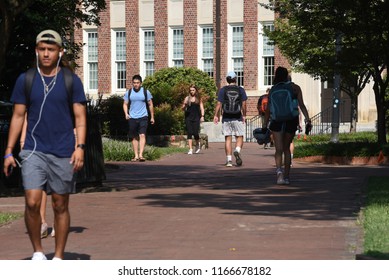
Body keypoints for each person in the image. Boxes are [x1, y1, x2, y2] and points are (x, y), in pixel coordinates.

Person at [3, 30, 87, 260]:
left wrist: (80, 147)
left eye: (51, 49)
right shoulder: (26, 79)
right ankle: (38, 252)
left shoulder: (71, 80)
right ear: (36, 51)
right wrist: (9, 151)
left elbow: (80, 117)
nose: (46, 54)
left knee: (60, 204)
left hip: (63, 151)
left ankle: (58, 256)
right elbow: (18, 116)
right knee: (32, 201)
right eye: (42, 49)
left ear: (60, 51)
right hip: (33, 150)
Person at [263, 66, 310, 185]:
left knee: (278, 149)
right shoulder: (295, 88)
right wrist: (307, 119)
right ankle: (287, 177)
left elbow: (268, 109)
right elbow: (302, 105)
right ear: (287, 75)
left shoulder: (273, 89)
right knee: (286, 148)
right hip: (291, 119)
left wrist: (265, 123)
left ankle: (279, 174)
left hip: (277, 121)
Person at [213, 71, 247, 167]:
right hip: (237, 117)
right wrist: (244, 115)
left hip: (226, 117)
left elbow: (219, 103)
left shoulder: (223, 90)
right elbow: (244, 104)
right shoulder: (240, 90)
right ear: (235, 79)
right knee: (239, 136)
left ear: (227, 80)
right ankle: (237, 150)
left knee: (228, 138)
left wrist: (216, 115)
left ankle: (229, 161)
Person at [123, 74, 155, 162]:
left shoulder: (145, 92)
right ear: (132, 83)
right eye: (134, 83)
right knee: (134, 137)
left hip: (143, 116)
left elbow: (150, 104)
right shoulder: (129, 92)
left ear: (141, 83)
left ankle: (141, 155)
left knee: (142, 134)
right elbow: (125, 104)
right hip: (132, 117)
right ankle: (136, 155)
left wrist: (152, 116)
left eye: (137, 83)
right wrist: (126, 114)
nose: (136, 84)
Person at [182, 84, 205, 154]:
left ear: (196, 91)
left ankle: (197, 144)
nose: (191, 91)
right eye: (190, 90)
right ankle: (190, 149)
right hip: (188, 117)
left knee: (195, 133)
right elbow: (182, 108)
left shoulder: (198, 98)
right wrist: (185, 105)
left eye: (193, 90)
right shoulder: (187, 98)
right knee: (189, 132)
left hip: (196, 117)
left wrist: (202, 116)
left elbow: (202, 108)